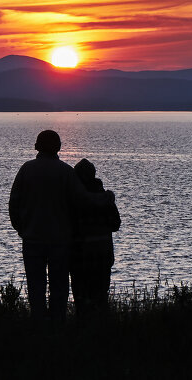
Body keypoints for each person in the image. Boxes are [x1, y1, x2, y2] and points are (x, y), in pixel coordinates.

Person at [8, 130, 114, 321]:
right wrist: (106, 198)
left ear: (37, 146)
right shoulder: (65, 172)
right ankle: (57, 327)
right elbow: (84, 199)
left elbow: (14, 203)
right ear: (57, 147)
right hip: (60, 241)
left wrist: (21, 229)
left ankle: (39, 328)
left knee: (36, 288)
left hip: (32, 240)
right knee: (59, 288)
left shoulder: (26, 169)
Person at [69, 158, 120, 320]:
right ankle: (101, 329)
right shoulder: (106, 199)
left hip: (80, 258)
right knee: (100, 297)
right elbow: (115, 224)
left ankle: (83, 331)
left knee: (82, 298)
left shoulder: (74, 202)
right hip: (103, 256)